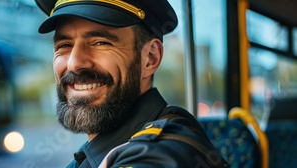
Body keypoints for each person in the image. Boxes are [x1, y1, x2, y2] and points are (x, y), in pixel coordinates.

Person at [34, 0, 229, 167]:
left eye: (101, 42)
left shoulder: (157, 154)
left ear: (150, 58)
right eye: (64, 46)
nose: (74, 63)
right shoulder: (100, 150)